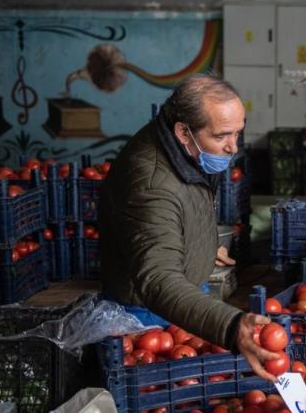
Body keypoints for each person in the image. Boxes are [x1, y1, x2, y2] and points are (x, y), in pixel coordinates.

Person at [99, 74, 279, 380]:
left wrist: (204, 244)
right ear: (183, 132)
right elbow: (158, 279)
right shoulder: (152, 184)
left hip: (188, 296)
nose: (232, 147)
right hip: (148, 314)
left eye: (239, 132)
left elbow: (182, 208)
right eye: (222, 136)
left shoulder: (183, 146)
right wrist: (231, 325)